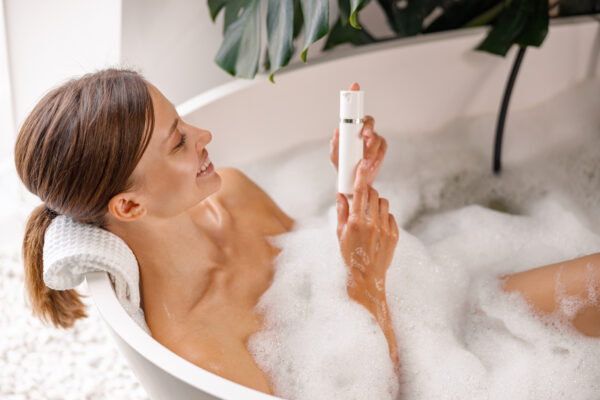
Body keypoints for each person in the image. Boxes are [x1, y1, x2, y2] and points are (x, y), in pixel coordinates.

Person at [14, 69, 599, 396]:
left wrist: (353, 184)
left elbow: (320, 256)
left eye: (183, 121)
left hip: (447, 315)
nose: (205, 134)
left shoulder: (235, 194)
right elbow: (373, 390)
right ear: (130, 207)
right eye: (178, 141)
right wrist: (367, 280)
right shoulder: (198, 345)